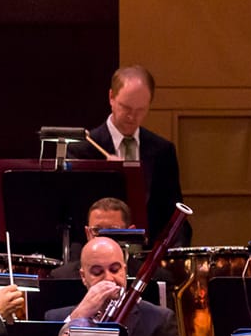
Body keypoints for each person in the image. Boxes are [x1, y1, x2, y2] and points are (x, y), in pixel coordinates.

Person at [78, 65, 188, 245]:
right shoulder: (84, 149)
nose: (132, 117)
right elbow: (77, 215)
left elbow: (172, 214)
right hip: (97, 249)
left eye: (140, 110)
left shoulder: (163, 150)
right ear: (111, 97)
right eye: (126, 107)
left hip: (147, 251)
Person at [42, 235, 180, 336]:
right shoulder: (54, 318)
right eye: (97, 272)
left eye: (115, 270)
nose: (109, 278)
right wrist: (79, 315)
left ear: (125, 270)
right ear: (83, 277)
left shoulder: (160, 320)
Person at [47, 196, 134, 280]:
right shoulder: (62, 276)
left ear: (130, 233)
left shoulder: (141, 275)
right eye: (96, 230)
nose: (104, 239)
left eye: (112, 231)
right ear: (87, 233)